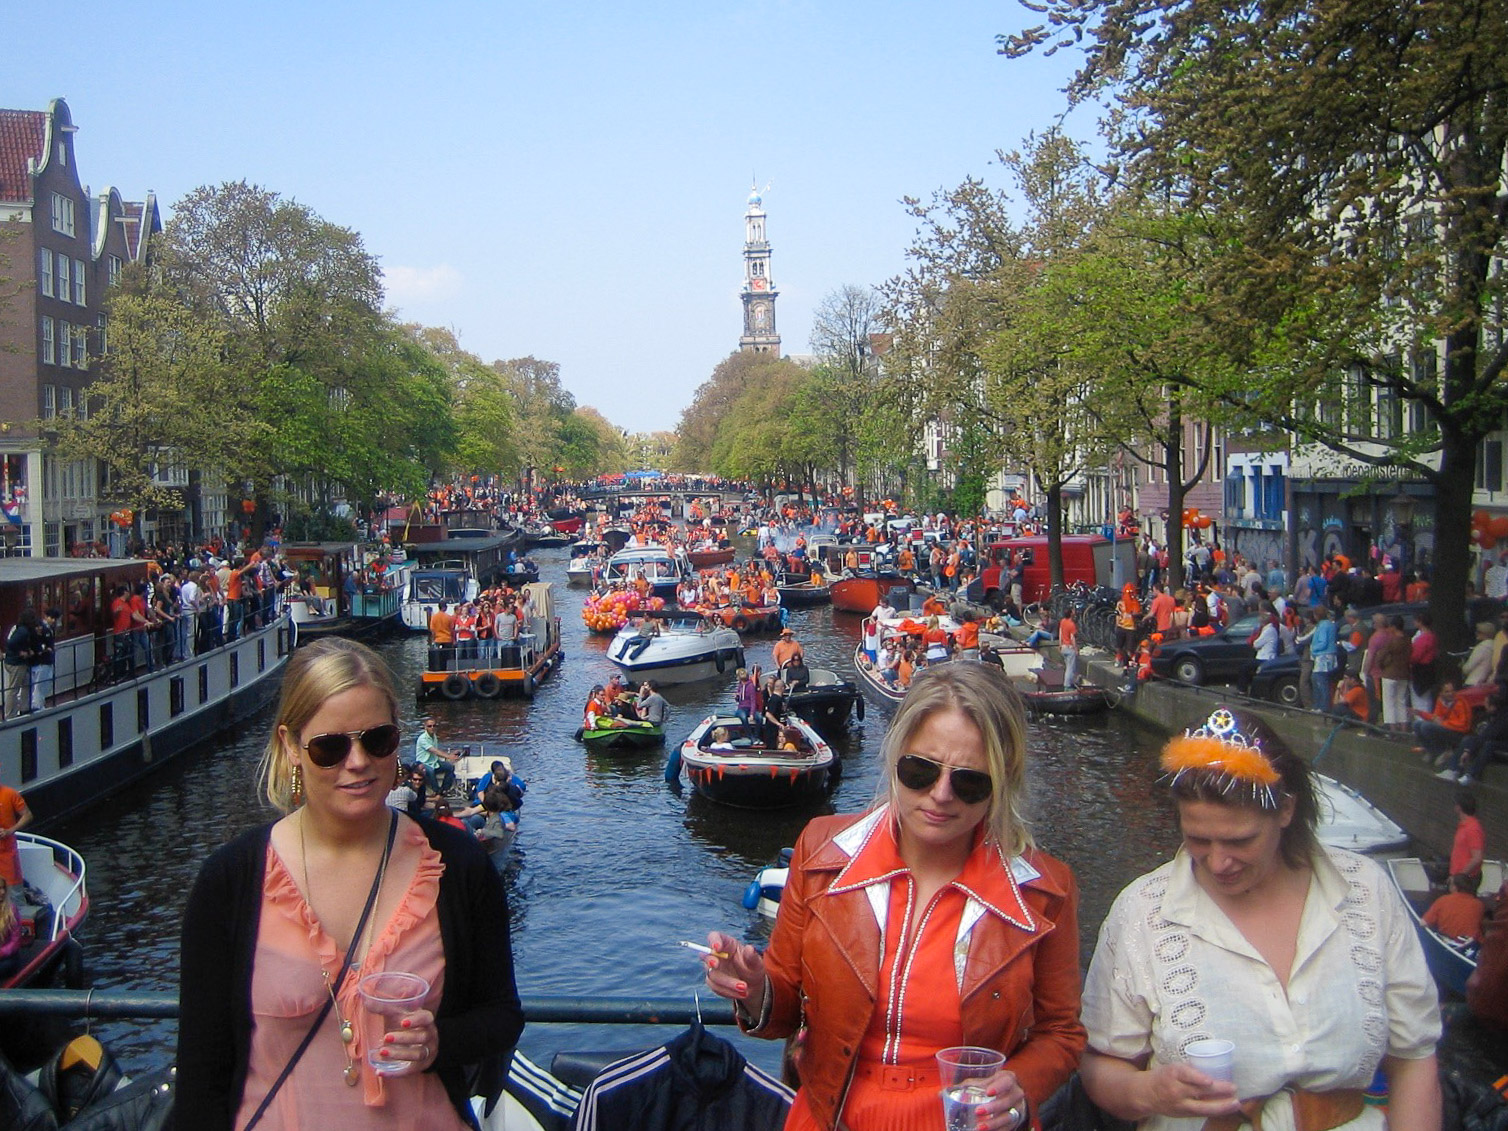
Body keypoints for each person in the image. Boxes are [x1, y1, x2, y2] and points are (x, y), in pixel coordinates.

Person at [700, 663, 1085, 1131]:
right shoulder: (821, 853)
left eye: (969, 782)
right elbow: (784, 1010)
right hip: (831, 1117)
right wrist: (756, 988)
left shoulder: (1044, 892)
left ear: (1002, 782)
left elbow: (1060, 1033)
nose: (941, 795)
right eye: (920, 771)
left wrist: (1018, 1086)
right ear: (896, 755)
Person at [176, 638, 523, 1129]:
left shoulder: (457, 866)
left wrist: (439, 1042)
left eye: (376, 740)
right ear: (290, 748)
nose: (357, 762)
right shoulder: (229, 883)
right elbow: (202, 1075)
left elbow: (502, 1014)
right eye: (330, 747)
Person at [1081, 705, 1441, 1130]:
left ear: (1286, 811)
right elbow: (1101, 1065)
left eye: (1240, 840)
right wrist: (1148, 1092)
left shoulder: (1364, 889)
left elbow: (1414, 1056)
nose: (1217, 863)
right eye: (1198, 839)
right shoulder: (1143, 911)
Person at [1423, 873, 1485, 944]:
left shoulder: (1443, 900)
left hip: (1448, 943)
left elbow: (1424, 923)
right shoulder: (1479, 905)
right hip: (1472, 945)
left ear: (1454, 887)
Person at [0, 776, 33, 889]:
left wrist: (9, 831)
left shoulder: (10, 794)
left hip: (7, 851)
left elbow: (27, 815)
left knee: (14, 891)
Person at [415, 716, 462, 793]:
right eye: (429, 726)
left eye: (434, 726)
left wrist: (451, 754)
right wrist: (449, 756)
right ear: (425, 727)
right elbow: (434, 751)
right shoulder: (422, 739)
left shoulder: (434, 736)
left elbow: (437, 751)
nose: (432, 728)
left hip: (434, 762)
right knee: (430, 771)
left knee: (450, 767)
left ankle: (445, 789)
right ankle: (436, 791)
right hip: (423, 763)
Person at [3, 609, 36, 718]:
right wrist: (21, 652)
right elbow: (11, 643)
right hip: (16, 663)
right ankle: (9, 714)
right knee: (13, 689)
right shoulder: (23, 631)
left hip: (16, 662)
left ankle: (24, 708)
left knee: (28, 683)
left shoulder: (19, 629)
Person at [1449, 790, 1485, 884]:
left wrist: (1460, 876)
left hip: (1466, 879)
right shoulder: (1464, 826)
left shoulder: (1472, 828)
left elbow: (1477, 858)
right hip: (1460, 876)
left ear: (1459, 807)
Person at [28, 607, 57, 714]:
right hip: (43, 661)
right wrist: (46, 649)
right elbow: (42, 644)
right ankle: (37, 706)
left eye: (55, 618)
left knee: (44, 683)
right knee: (41, 684)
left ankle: (39, 704)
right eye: (51, 617)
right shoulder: (44, 629)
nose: (53, 620)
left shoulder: (47, 628)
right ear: (46, 617)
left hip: (45, 661)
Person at [0, 876, 21, 981]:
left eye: (3, 888)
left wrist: (2, 953)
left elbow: (15, 942)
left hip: (8, 957)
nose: (2, 892)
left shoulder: (11, 910)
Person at [1059, 608, 1080, 689]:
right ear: (1071, 613)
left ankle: (1071, 682)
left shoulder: (1062, 621)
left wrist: (1060, 644)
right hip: (1069, 648)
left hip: (1063, 647)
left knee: (1068, 666)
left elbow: (1060, 633)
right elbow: (1072, 638)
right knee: (1070, 668)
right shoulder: (1072, 625)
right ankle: (1067, 686)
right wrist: (1076, 649)